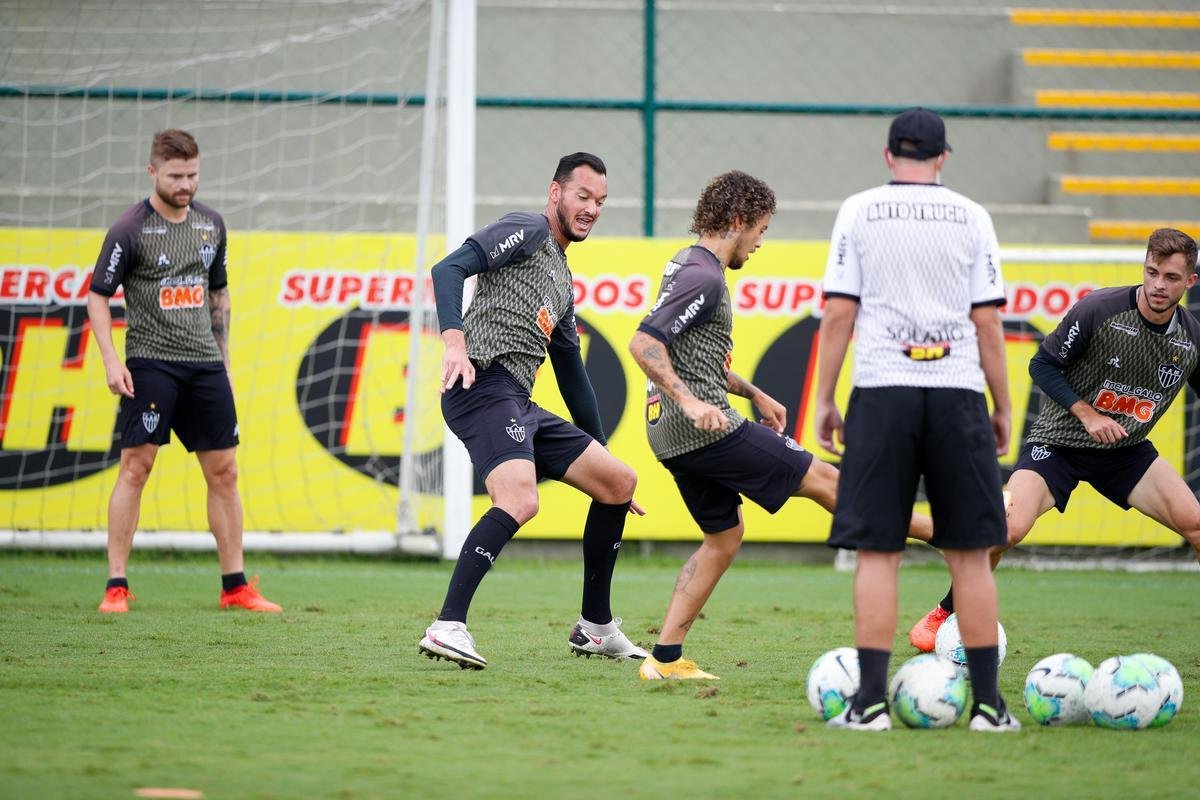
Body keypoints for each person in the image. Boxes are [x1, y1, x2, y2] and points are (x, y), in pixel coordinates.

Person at [629, 171, 934, 681]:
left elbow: (691, 355)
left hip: (670, 434)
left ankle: (662, 659)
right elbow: (643, 344)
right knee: (829, 481)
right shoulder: (703, 277)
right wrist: (690, 401)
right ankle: (956, 535)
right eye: (761, 230)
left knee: (723, 538)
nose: (761, 242)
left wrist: (752, 392)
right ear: (738, 221)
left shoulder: (688, 263)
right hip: (703, 428)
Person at [814, 107, 1018, 731]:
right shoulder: (972, 216)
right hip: (956, 393)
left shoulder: (859, 209)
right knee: (969, 555)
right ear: (942, 158)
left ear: (887, 156)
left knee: (878, 554)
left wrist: (825, 397)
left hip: (882, 391)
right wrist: (1003, 404)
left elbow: (839, 315)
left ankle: (869, 705)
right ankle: (989, 708)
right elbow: (987, 323)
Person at [908, 227, 1200, 650]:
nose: (1158, 284)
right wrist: (1087, 414)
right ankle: (945, 611)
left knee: (1195, 524)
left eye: (1171, 277)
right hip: (1058, 442)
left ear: (1190, 281)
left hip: (1126, 451)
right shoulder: (1100, 309)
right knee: (1007, 531)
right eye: (1152, 272)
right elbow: (1042, 366)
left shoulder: (1191, 338)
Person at [418, 152, 645, 670]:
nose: (591, 208)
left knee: (618, 482)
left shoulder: (562, 282)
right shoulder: (527, 230)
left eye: (600, 201)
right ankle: (447, 625)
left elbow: (572, 372)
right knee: (519, 498)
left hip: (516, 399)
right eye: (583, 196)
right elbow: (448, 268)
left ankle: (595, 628)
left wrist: (599, 454)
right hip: (479, 382)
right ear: (556, 192)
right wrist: (453, 339)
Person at [88, 129, 280, 614]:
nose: (185, 184)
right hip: (150, 363)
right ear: (153, 172)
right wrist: (112, 360)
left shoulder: (212, 225)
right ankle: (116, 586)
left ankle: (235, 587)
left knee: (226, 472)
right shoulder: (128, 228)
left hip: (205, 365)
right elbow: (97, 295)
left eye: (192, 174)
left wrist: (226, 361)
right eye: (175, 175)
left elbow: (219, 293)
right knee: (136, 467)